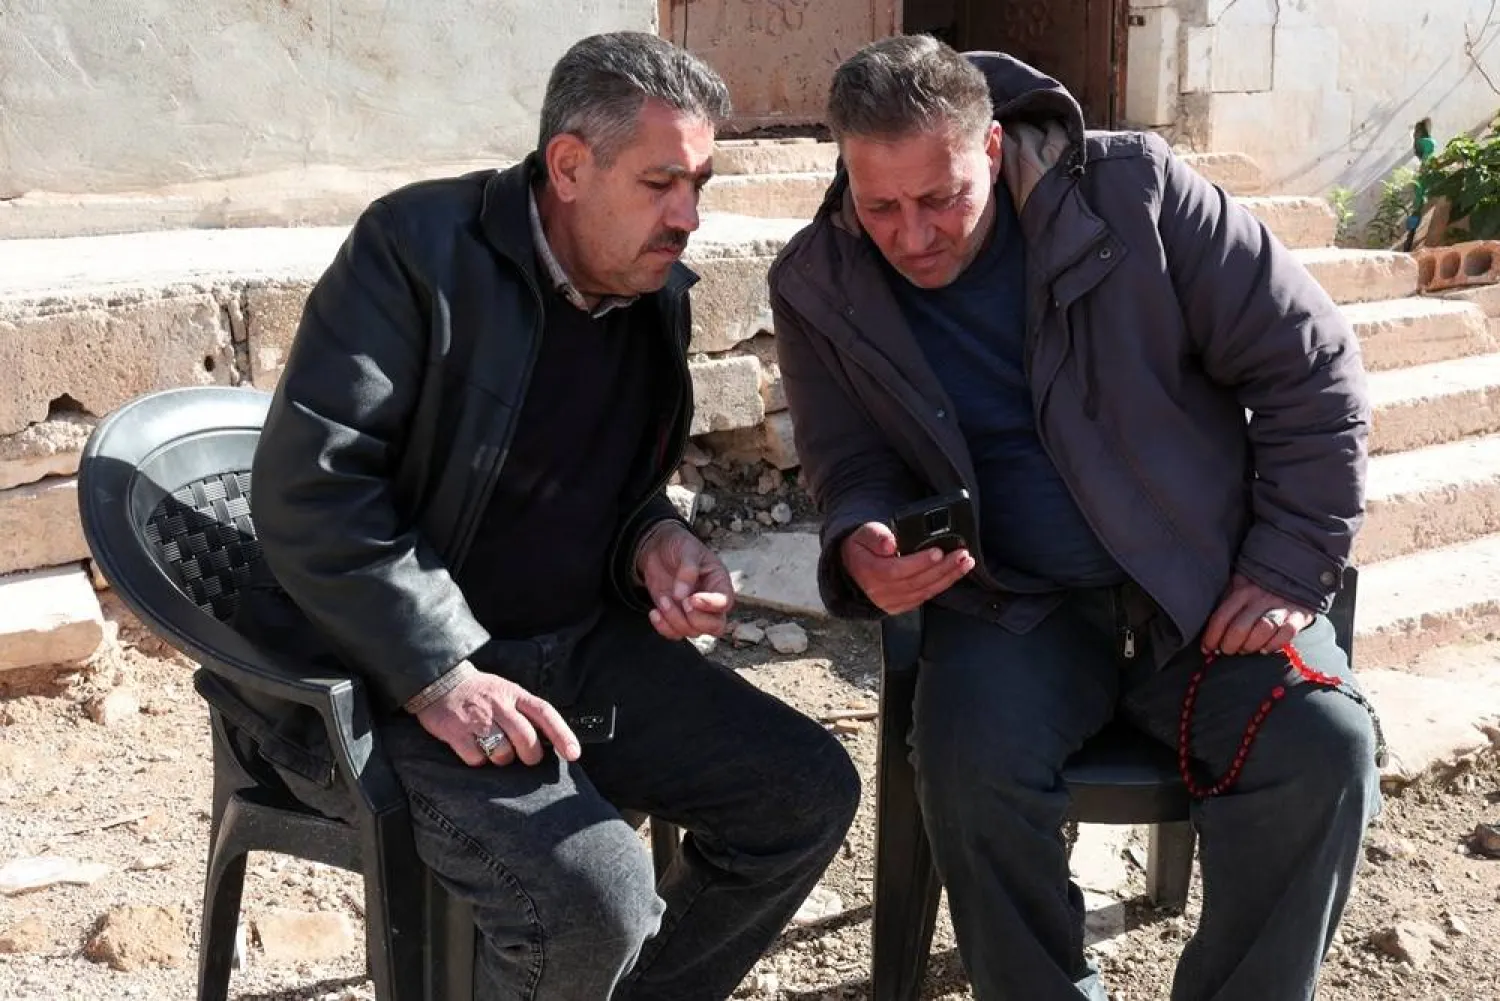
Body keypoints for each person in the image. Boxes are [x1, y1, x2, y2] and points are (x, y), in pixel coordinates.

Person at [228, 31, 859, 1001]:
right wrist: (439, 671)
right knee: (594, 899)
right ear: (568, 166)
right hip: (377, 679)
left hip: (570, 653)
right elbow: (315, 488)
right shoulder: (415, 251)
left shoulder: (650, 291)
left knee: (804, 791)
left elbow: (611, 487)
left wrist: (654, 541)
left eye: (699, 183)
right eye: (660, 183)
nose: (688, 216)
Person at [769, 34, 1380, 1001]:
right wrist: (862, 543)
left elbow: (1311, 365)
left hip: (1200, 592)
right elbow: (849, 463)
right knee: (968, 770)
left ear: (992, 146)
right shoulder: (819, 281)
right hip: (1013, 607)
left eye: (941, 199)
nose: (912, 236)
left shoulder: (1136, 194)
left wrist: (1290, 560)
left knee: (1322, 747)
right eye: (880, 206)